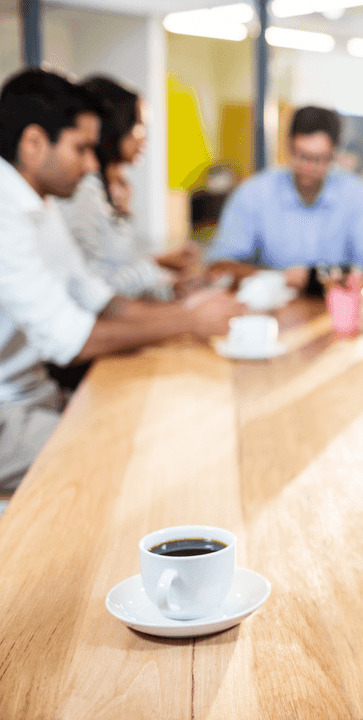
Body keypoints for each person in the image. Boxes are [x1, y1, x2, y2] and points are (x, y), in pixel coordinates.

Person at [0, 68, 244, 492]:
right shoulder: (6, 212)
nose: (92, 164)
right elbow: (69, 340)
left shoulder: (41, 203)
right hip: (8, 412)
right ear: (34, 144)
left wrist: (184, 311)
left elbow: (95, 294)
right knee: (134, 455)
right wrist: (186, 321)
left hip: (33, 397)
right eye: (82, 149)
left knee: (149, 423)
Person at [205, 105, 363, 290]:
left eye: (319, 159)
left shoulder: (354, 193)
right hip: (270, 306)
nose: (308, 167)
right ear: (288, 146)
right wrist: (277, 278)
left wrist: (354, 277)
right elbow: (219, 265)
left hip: (336, 306)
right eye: (301, 156)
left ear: (334, 154)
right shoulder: (254, 193)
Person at [59, 75, 198, 301]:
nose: (145, 139)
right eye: (139, 126)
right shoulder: (83, 190)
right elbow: (97, 285)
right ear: (116, 126)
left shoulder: (115, 189)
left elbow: (117, 266)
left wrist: (165, 282)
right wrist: (155, 268)